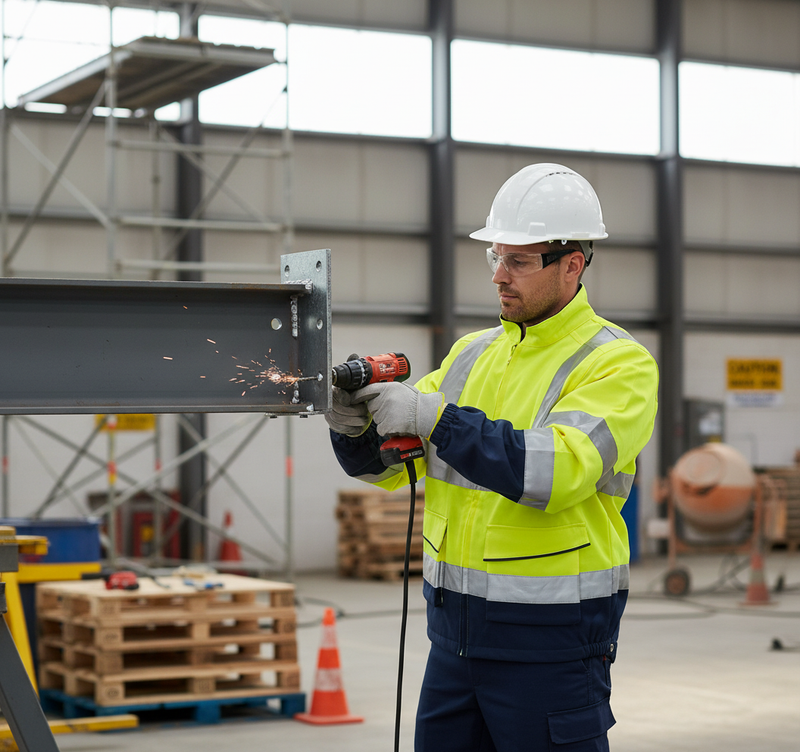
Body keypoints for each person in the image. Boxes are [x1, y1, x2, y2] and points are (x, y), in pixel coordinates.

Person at [325, 163, 659, 751]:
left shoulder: (618, 365)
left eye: (519, 261)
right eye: (495, 258)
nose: (500, 276)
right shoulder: (471, 354)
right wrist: (352, 427)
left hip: (551, 646)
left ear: (573, 265)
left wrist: (434, 417)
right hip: (454, 638)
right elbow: (385, 468)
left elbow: (553, 472)